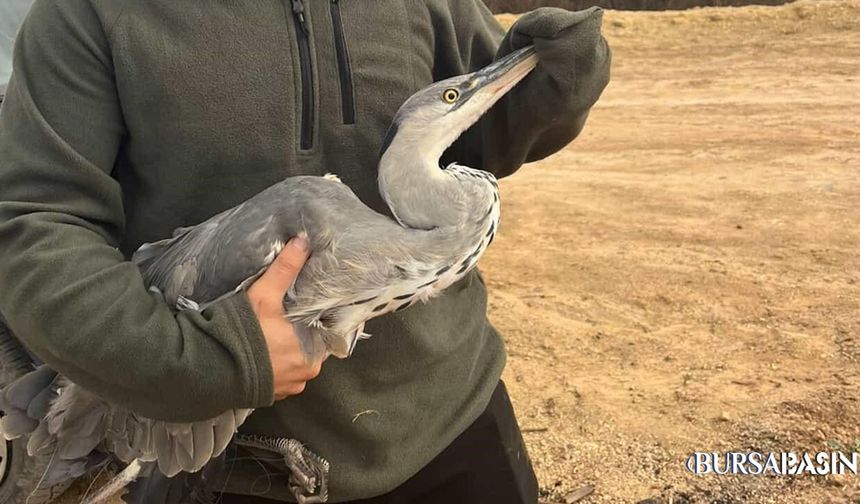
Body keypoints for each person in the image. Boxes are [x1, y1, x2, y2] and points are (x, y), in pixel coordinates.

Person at [0, 1, 610, 502]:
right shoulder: (84, 15)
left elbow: (473, 135)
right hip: (232, 462)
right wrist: (197, 361)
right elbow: (34, 226)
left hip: (452, 417)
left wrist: (553, 91)